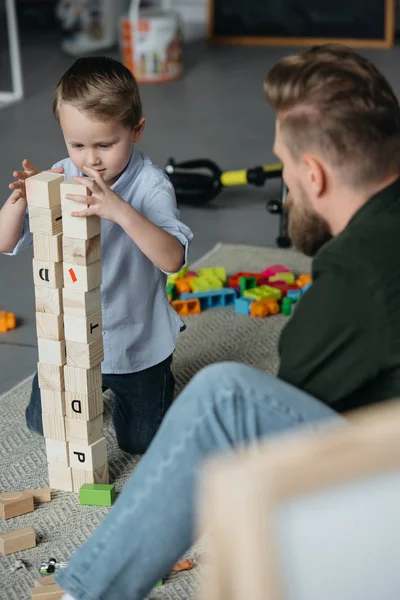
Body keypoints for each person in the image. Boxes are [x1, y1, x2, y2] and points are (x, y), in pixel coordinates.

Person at [31, 43, 400, 599]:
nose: (286, 190)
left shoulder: (354, 278)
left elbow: (287, 446)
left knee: (224, 393)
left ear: (314, 175)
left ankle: (86, 589)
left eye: (284, 165)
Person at [0, 56, 193, 455]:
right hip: (73, 341)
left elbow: (173, 259)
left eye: (106, 144)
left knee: (141, 442)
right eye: (77, 145)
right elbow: (5, 243)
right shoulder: (63, 173)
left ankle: (160, 382)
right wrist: (21, 202)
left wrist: (119, 209)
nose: (91, 160)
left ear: (136, 130)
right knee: (42, 424)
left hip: (137, 342)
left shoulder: (151, 186)